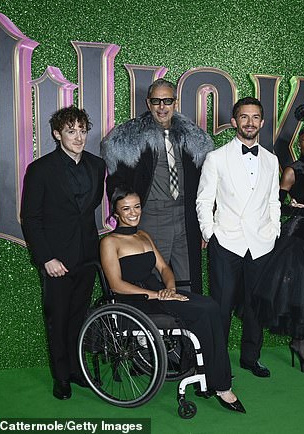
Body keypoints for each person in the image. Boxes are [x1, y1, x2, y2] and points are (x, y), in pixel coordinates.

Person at [100, 188, 245, 413]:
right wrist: (159, 295)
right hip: (134, 302)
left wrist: (169, 288)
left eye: (137, 207)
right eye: (126, 208)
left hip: (159, 293)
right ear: (116, 212)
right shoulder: (110, 242)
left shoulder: (143, 236)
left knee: (210, 305)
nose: (133, 213)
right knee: (205, 310)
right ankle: (220, 386)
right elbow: (116, 285)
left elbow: (165, 268)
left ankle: (210, 376)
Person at [20, 106, 106, 400]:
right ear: (58, 134)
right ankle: (61, 377)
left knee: (79, 316)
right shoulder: (40, 169)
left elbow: (89, 209)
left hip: (87, 256)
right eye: (71, 131)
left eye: (82, 130)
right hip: (56, 259)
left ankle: (76, 369)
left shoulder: (97, 165)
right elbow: (31, 218)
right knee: (57, 318)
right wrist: (47, 258)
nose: (78, 137)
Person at [101, 78, 213, 294]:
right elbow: (115, 181)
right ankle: (154, 328)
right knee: (152, 281)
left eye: (167, 101)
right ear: (148, 103)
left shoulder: (194, 138)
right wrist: (125, 211)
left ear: (175, 103)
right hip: (151, 217)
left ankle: (187, 328)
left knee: (187, 283)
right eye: (156, 101)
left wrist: (203, 224)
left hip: (185, 218)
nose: (162, 107)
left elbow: (206, 186)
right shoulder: (129, 138)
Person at [196, 97, 280, 378]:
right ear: (234, 122)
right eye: (244, 117)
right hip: (227, 243)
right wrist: (211, 233)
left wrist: (274, 231)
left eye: (255, 117)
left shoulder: (271, 160)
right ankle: (216, 364)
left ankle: (250, 357)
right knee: (221, 308)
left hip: (261, 244)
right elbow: (204, 200)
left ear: (262, 123)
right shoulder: (216, 158)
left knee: (256, 306)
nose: (250, 122)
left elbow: (273, 201)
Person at [252, 107, 304, 373]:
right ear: (299, 143)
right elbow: (275, 205)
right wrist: (294, 209)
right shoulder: (292, 170)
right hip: (300, 236)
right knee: (303, 291)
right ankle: (299, 341)